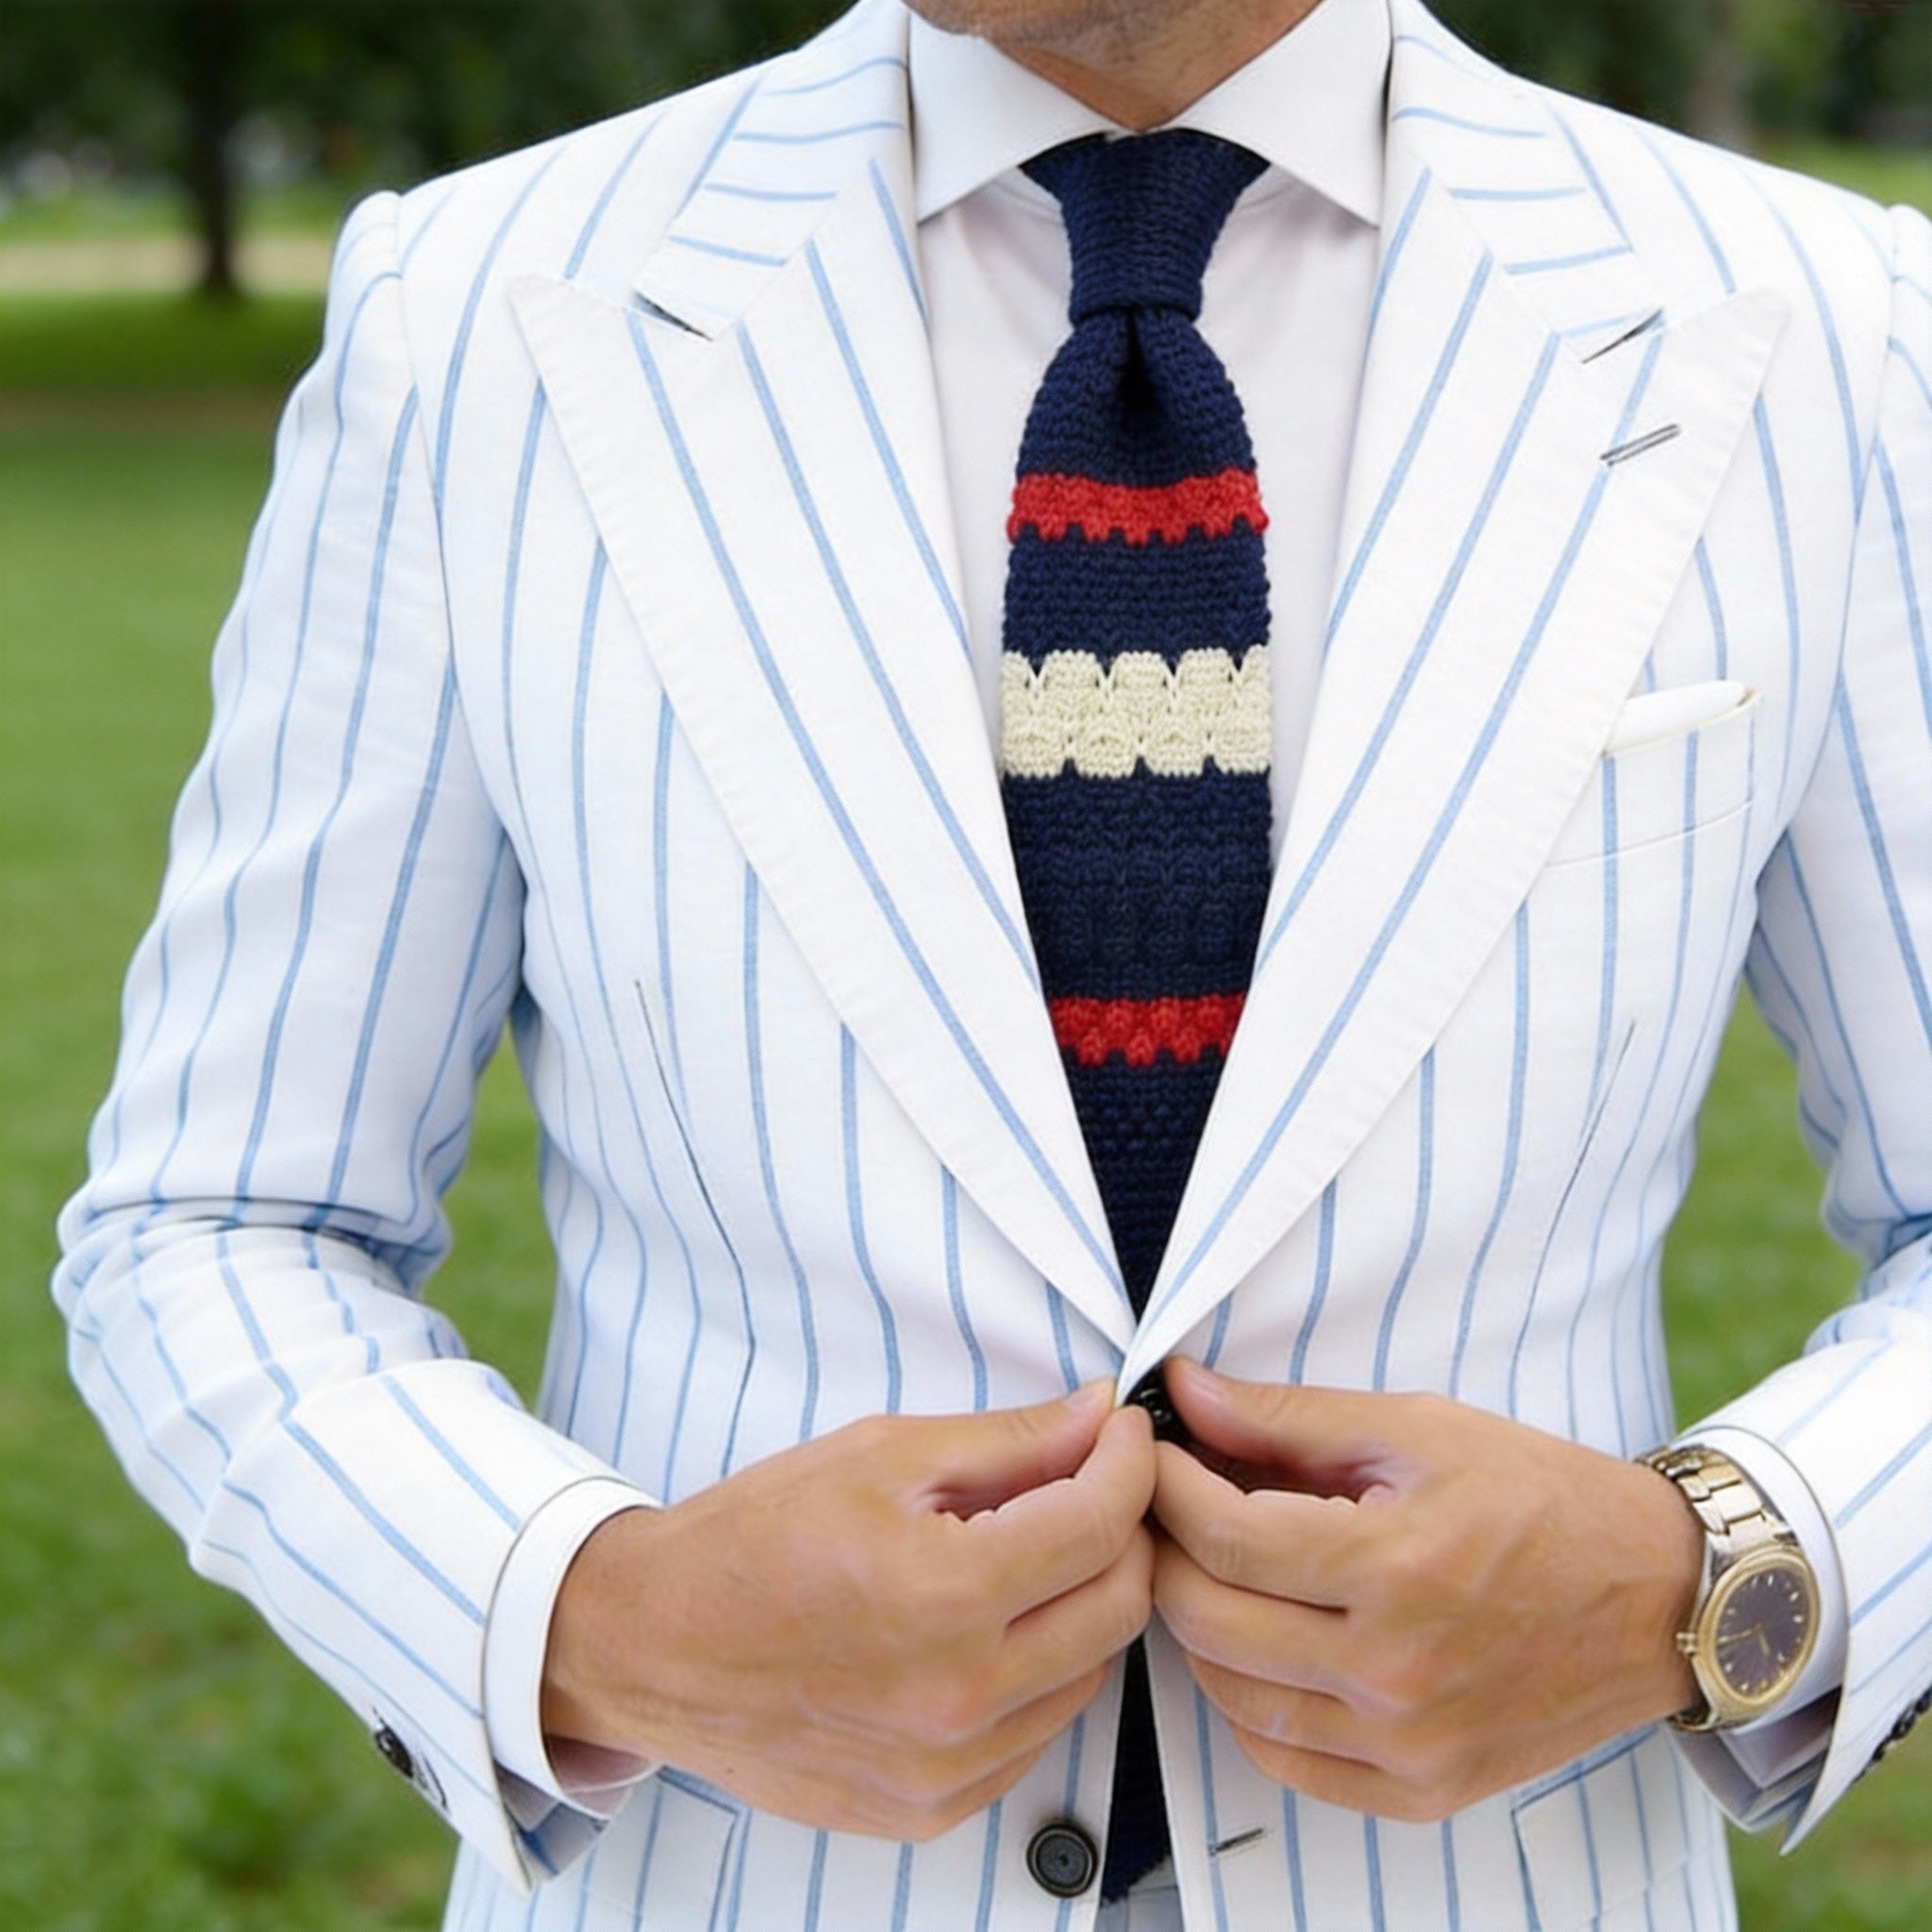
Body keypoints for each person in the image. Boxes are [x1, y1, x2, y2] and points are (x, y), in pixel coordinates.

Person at [53, 0, 1932, 1924]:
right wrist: (599, 1618)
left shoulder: (1818, 322)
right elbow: (218, 1219)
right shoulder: (474, 310)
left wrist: (1706, 1577)